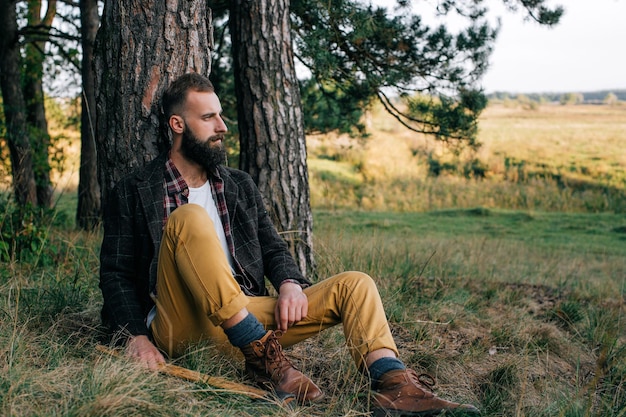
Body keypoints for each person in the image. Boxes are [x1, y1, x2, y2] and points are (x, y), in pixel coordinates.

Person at [99, 72, 480, 416]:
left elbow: (272, 247)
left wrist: (289, 283)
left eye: (221, 115)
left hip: (248, 317)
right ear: (177, 124)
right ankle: (266, 361)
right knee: (188, 218)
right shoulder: (135, 189)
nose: (222, 127)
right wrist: (136, 337)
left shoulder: (238, 185)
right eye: (208, 118)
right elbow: (115, 275)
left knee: (356, 284)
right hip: (180, 323)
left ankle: (395, 386)